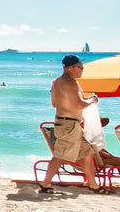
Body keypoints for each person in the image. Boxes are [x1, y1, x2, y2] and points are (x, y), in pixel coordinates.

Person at [37, 55, 114, 194]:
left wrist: (74, 102)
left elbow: (55, 104)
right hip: (70, 125)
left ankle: (93, 185)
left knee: (87, 152)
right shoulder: (71, 83)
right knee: (60, 155)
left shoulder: (57, 82)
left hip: (64, 122)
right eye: (81, 68)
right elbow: (80, 104)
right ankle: (45, 183)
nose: (82, 70)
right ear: (71, 68)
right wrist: (91, 100)